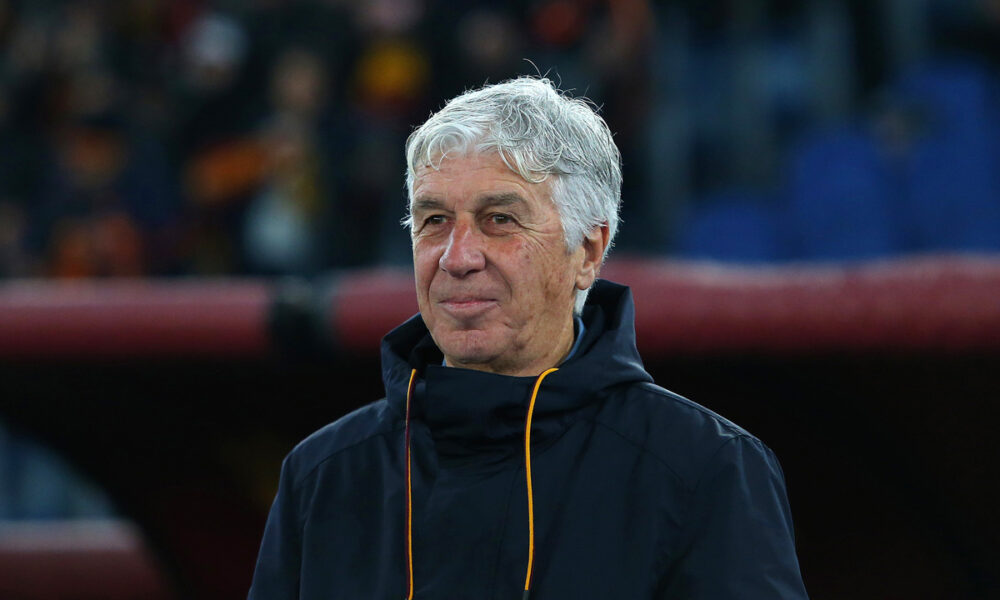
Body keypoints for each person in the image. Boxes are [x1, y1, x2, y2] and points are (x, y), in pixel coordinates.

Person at [248, 77, 809, 599]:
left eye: (500, 219)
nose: (457, 257)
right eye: (434, 220)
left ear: (588, 251)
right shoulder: (320, 476)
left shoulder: (707, 468)